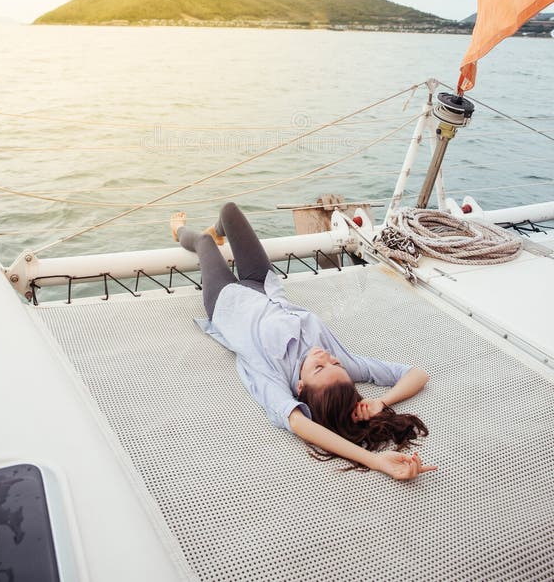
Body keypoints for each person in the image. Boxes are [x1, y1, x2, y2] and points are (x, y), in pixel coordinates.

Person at [171, 202, 437, 482]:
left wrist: (374, 460)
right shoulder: (341, 367)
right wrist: (381, 401)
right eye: (335, 363)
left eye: (319, 367)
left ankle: (178, 231)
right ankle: (219, 232)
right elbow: (417, 374)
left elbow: (299, 423)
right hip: (264, 286)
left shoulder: (271, 376)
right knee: (228, 211)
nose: (324, 355)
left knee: (203, 241)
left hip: (227, 301)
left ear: (300, 387)